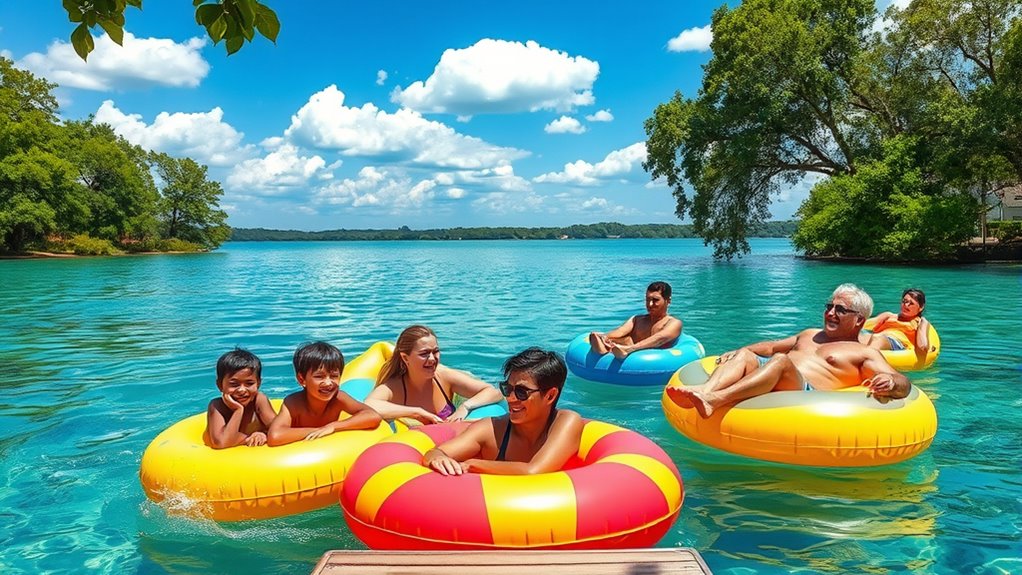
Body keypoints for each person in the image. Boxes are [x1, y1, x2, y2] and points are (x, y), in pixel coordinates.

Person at [667, 283, 911, 419]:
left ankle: (715, 399)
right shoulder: (809, 334)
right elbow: (771, 346)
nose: (830, 313)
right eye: (829, 306)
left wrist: (890, 381)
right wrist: (740, 349)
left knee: (781, 361)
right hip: (772, 373)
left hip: (804, 390)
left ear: (859, 320)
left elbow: (904, 383)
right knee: (747, 355)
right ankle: (705, 392)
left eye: (840, 310)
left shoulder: (863, 352)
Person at [423, 347, 584, 476]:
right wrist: (438, 459)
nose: (510, 398)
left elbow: (534, 471)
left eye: (522, 392)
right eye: (507, 389)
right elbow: (435, 453)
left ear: (550, 395)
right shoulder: (492, 430)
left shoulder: (566, 422)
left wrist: (472, 464)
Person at [365, 325, 503, 425]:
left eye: (435, 351)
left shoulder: (443, 376)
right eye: (424, 354)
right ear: (405, 358)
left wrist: (465, 407)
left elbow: (493, 392)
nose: (432, 358)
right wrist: (416, 412)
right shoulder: (394, 387)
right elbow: (369, 406)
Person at [267, 341, 382, 446]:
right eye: (319, 376)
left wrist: (333, 427)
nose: (328, 383)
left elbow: (373, 416)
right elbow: (275, 436)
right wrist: (319, 430)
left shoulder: (338, 398)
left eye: (334, 376)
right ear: (302, 380)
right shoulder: (293, 404)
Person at [589, 281, 683, 359]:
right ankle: (603, 349)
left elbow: (660, 338)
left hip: (655, 360)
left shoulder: (673, 323)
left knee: (628, 343)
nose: (650, 304)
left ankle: (622, 351)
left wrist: (630, 348)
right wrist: (604, 337)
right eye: (647, 299)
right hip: (624, 351)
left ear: (668, 301)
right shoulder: (636, 319)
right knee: (625, 339)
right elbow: (620, 332)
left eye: (655, 300)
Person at [205, 348, 277, 448]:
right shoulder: (217, 406)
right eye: (234, 384)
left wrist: (264, 434)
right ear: (220, 385)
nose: (242, 390)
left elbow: (279, 430)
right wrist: (238, 410)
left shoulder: (259, 400)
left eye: (249, 383)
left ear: (258, 383)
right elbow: (220, 442)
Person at [866, 288, 931, 360]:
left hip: (897, 343)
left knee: (877, 338)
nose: (906, 305)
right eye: (904, 301)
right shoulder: (888, 316)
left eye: (911, 303)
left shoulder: (919, 322)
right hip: (877, 338)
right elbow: (864, 324)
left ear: (921, 307)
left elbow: (923, 348)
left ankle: (863, 361)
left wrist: (923, 323)